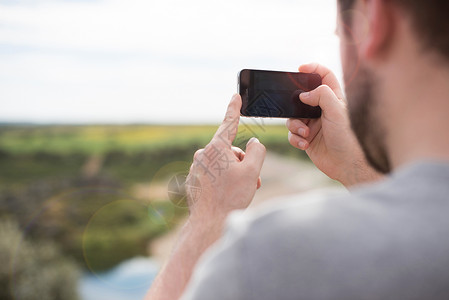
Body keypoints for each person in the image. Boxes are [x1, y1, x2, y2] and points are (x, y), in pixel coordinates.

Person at [145, 0, 449, 299]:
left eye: (341, 35)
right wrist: (354, 167)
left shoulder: (266, 254)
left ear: (372, 20)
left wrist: (207, 221)